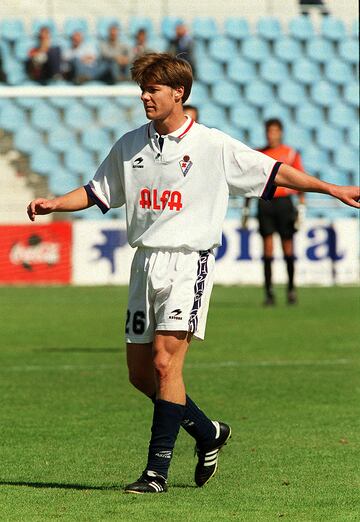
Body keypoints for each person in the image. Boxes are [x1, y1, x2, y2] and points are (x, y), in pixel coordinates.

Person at [27, 53, 359, 494]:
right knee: (140, 375)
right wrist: (54, 203)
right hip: (144, 262)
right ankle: (207, 432)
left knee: (166, 362)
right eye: (142, 89)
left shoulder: (212, 145)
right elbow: (96, 192)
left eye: (153, 89)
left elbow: (274, 171)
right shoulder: (130, 145)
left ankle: (156, 473)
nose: (144, 96)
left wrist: (331, 188)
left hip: (189, 260)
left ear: (178, 93)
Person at [244, 118, 306, 306]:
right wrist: (246, 209)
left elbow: (301, 179)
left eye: (275, 131)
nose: (271, 135)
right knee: (268, 248)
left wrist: (301, 209)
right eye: (269, 131)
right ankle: (269, 292)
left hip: (285, 204)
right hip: (265, 203)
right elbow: (249, 182)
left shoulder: (290, 154)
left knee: (288, 247)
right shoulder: (258, 154)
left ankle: (291, 289)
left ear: (280, 133)